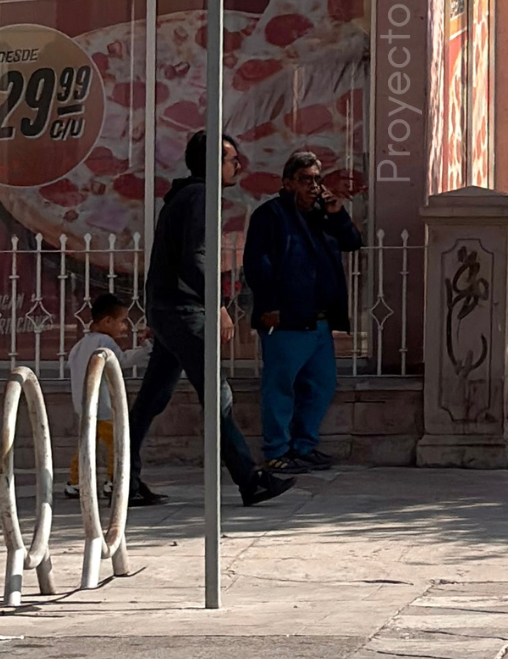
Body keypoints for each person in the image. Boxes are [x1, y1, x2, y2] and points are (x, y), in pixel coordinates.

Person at [128, 132, 289, 509]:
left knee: (152, 397)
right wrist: (217, 305)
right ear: (213, 162)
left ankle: (123, 479)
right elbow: (195, 258)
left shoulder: (185, 194)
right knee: (218, 396)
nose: (238, 165)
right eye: (232, 159)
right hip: (184, 310)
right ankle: (250, 480)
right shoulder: (200, 197)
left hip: (167, 308)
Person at [244, 146, 365, 474]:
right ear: (288, 183)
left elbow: (353, 242)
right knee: (280, 387)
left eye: (317, 179)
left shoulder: (322, 215)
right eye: (305, 179)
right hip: (285, 320)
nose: (313, 185)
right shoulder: (270, 216)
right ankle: (276, 451)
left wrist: (336, 213)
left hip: (319, 321)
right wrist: (269, 305)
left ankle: (303, 446)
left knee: (321, 385)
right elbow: (258, 263)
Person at [63, 292, 136, 499]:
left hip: (84, 405)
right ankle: (114, 481)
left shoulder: (79, 345)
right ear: (107, 321)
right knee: (116, 444)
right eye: (122, 322)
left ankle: (76, 482)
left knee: (86, 444)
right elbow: (120, 361)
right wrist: (145, 353)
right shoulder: (105, 342)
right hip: (104, 407)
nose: (124, 328)